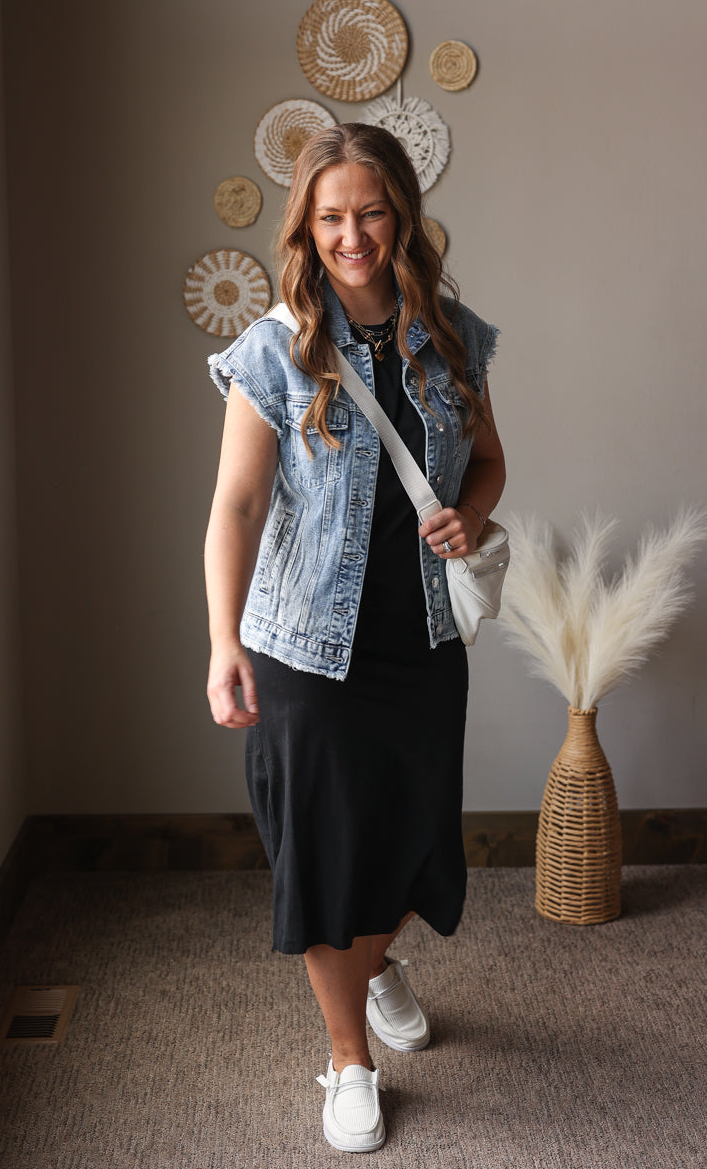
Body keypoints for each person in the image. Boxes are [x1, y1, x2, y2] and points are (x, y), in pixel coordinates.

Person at [204, 122, 505, 1154]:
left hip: (420, 639)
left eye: (369, 212)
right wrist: (221, 642)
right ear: (307, 224)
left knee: (417, 841)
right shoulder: (276, 349)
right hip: (304, 650)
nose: (351, 235)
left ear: (402, 214)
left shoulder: (450, 333)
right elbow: (235, 510)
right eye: (329, 216)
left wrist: (469, 512)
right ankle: (345, 1061)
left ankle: (372, 965)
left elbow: (489, 460)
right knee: (328, 855)